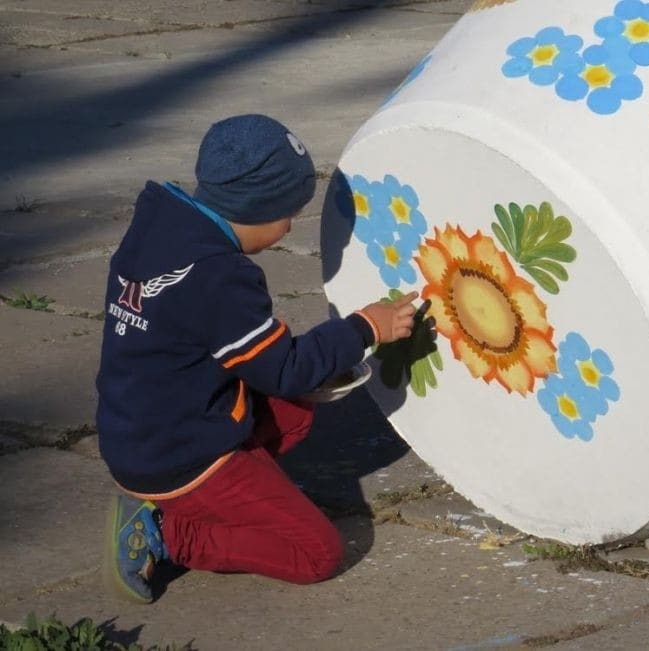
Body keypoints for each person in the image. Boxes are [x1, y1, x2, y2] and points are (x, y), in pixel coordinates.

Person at [96, 113, 420, 603]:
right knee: (318, 552)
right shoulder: (219, 277)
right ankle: (169, 534)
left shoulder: (161, 226)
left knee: (296, 413)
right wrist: (364, 328)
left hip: (137, 432)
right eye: (290, 214)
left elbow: (255, 359)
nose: (290, 227)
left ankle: (220, 499)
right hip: (181, 459)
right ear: (261, 207)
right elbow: (285, 369)